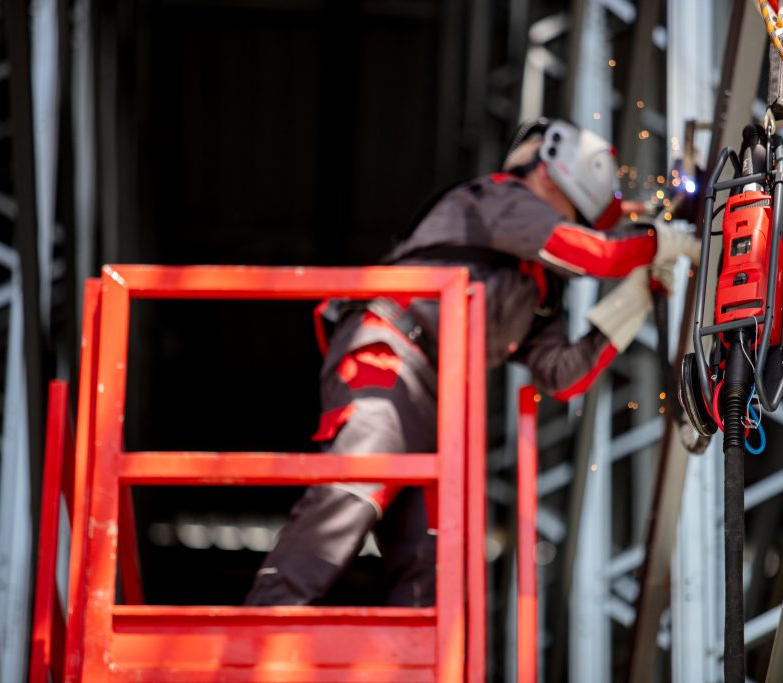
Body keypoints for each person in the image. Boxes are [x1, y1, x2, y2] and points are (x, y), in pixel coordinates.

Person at [244, 118, 700, 607]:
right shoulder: (499, 198)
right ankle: (262, 627)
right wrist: (655, 242)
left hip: (434, 400)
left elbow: (563, 374)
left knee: (430, 558)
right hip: (390, 352)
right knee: (354, 487)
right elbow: (594, 254)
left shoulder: (541, 285)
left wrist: (634, 298)